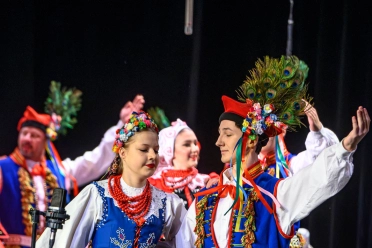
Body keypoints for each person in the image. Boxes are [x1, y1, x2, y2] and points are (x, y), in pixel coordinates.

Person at [177, 55, 370, 247]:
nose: (218, 142)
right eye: (220, 134)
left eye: (227, 134)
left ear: (251, 140)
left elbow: (318, 178)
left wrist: (346, 147)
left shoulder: (277, 194)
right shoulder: (205, 198)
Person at [0, 91, 145, 248]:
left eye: (34, 135)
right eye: (24, 134)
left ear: (45, 143)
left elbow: (95, 161)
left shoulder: (58, 171)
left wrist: (121, 125)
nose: (27, 138)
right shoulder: (3, 168)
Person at [36, 111, 186, 248]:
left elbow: (190, 239)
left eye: (156, 150)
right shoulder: (98, 195)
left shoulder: (167, 203)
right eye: (144, 149)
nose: (153, 156)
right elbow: (63, 242)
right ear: (123, 153)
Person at [148, 119, 219, 209]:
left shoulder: (206, 181)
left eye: (195, 143)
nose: (195, 149)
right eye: (187, 144)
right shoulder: (155, 184)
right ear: (169, 150)